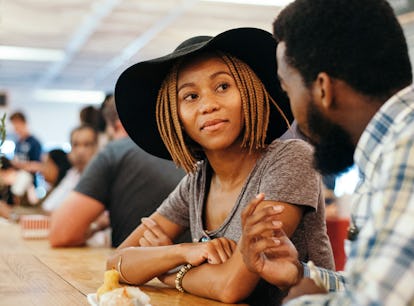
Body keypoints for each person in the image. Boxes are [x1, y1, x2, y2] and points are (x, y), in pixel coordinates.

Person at [107, 27, 334, 305]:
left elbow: (231, 286)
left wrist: (166, 271)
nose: (208, 105)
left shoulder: (290, 159)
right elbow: (116, 263)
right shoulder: (197, 182)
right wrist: (180, 252)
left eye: (223, 87)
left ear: (250, 93)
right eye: (190, 96)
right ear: (175, 116)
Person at [240, 1, 414, 305]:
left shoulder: (407, 149)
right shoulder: (390, 148)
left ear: (322, 88)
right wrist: (300, 275)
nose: (294, 115)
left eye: (288, 89)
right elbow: (380, 286)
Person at [49, 96, 186, 248]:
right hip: (197, 264)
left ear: (117, 126)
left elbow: (60, 234)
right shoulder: (186, 150)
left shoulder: (116, 151)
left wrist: (95, 227)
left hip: (136, 266)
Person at [42, 124, 98, 212]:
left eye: (87, 145)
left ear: (96, 147)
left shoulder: (99, 178)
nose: (80, 151)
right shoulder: (73, 173)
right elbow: (49, 207)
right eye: (75, 145)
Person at [9, 111, 43, 188]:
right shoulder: (17, 143)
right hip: (16, 179)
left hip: (29, 183)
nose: (15, 129)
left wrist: (22, 165)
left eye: (16, 125)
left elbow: (39, 166)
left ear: (23, 123)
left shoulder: (35, 142)